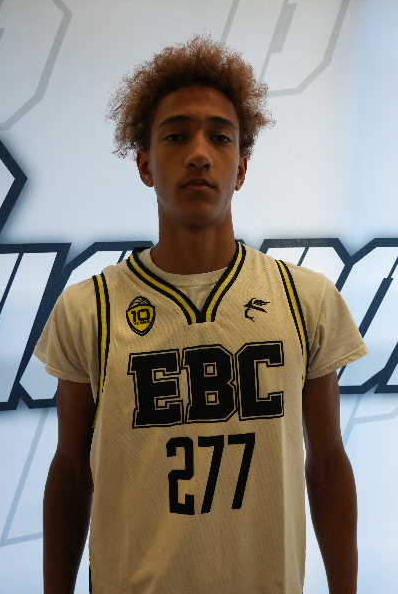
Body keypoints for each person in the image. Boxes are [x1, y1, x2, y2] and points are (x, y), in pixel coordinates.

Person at [35, 35, 368, 594]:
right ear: (144, 164)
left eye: (220, 136)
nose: (198, 153)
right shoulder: (88, 308)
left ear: (241, 167)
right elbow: (70, 471)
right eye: (175, 135)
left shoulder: (304, 299)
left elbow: (329, 462)